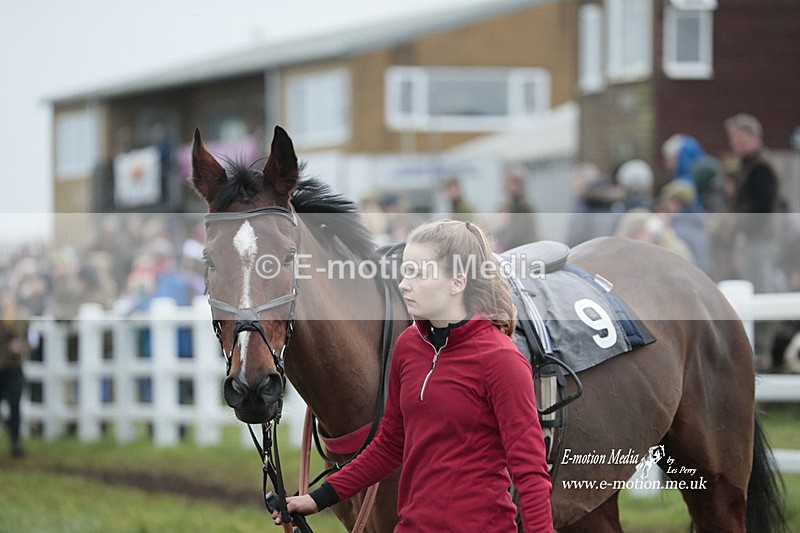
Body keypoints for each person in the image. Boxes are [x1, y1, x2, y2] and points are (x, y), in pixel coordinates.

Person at [274, 219, 553, 531]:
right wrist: (318, 498)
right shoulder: (408, 345)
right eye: (405, 271)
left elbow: (529, 471)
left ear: (457, 282)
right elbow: (390, 444)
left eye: (419, 273)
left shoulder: (501, 360)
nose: (404, 284)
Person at [725, 113, 782, 293]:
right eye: (733, 139)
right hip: (752, 237)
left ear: (754, 138)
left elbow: (762, 207)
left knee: (760, 287)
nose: (734, 144)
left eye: (739, 140)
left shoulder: (760, 168)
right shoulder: (748, 165)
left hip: (758, 238)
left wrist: (743, 230)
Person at [0, 289, 27, 458]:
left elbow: (31, 339)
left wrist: (21, 345)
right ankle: (8, 426)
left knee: (15, 406)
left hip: (15, 370)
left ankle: (15, 442)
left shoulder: (21, 320)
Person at [494, 170, 538, 250]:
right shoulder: (508, 206)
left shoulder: (524, 207)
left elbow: (515, 236)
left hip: (525, 250)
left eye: (511, 183)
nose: (506, 186)